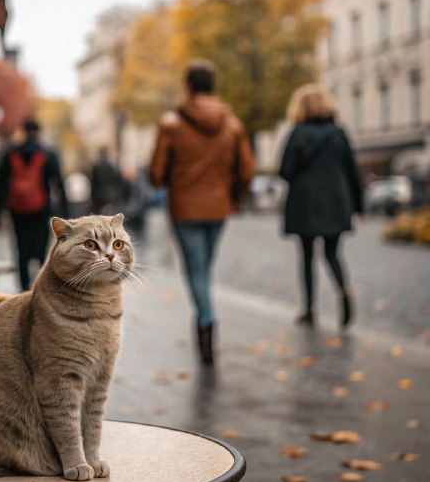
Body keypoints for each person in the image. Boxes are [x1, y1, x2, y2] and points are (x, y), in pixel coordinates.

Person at [149, 59, 255, 364]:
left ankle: (206, 323)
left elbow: (156, 174)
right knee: (203, 269)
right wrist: (231, 195)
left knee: (196, 271)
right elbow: (247, 170)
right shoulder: (232, 124)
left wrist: (173, 179)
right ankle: (205, 325)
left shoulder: (171, 124)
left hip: (185, 209)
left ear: (188, 86)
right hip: (219, 208)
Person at [279, 84, 363, 328]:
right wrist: (359, 205)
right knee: (332, 253)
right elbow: (352, 171)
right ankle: (345, 292)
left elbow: (285, 170)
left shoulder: (297, 134)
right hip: (336, 201)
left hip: (305, 202)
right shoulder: (339, 133)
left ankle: (309, 309)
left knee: (306, 257)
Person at [0, 119, 68, 291]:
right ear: (39, 132)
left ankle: (24, 290)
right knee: (41, 250)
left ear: (23, 131)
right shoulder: (47, 153)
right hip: (40, 210)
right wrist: (65, 214)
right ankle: (40, 288)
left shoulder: (11, 152)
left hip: (17, 210)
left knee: (21, 250)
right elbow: (59, 184)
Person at [90, 148, 124, 214]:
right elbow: (116, 180)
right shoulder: (112, 165)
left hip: (99, 194)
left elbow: (94, 182)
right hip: (110, 193)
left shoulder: (96, 166)